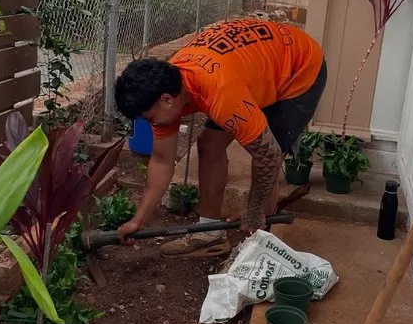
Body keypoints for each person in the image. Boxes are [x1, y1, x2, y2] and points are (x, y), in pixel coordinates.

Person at [113, 16, 326, 258]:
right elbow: (162, 161)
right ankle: (209, 235)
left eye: (149, 118)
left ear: (166, 99)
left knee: (267, 154)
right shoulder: (168, 89)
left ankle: (260, 242)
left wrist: (254, 209)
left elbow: (268, 155)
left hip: (298, 68)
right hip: (249, 67)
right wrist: (138, 220)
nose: (150, 123)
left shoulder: (221, 94)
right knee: (209, 144)